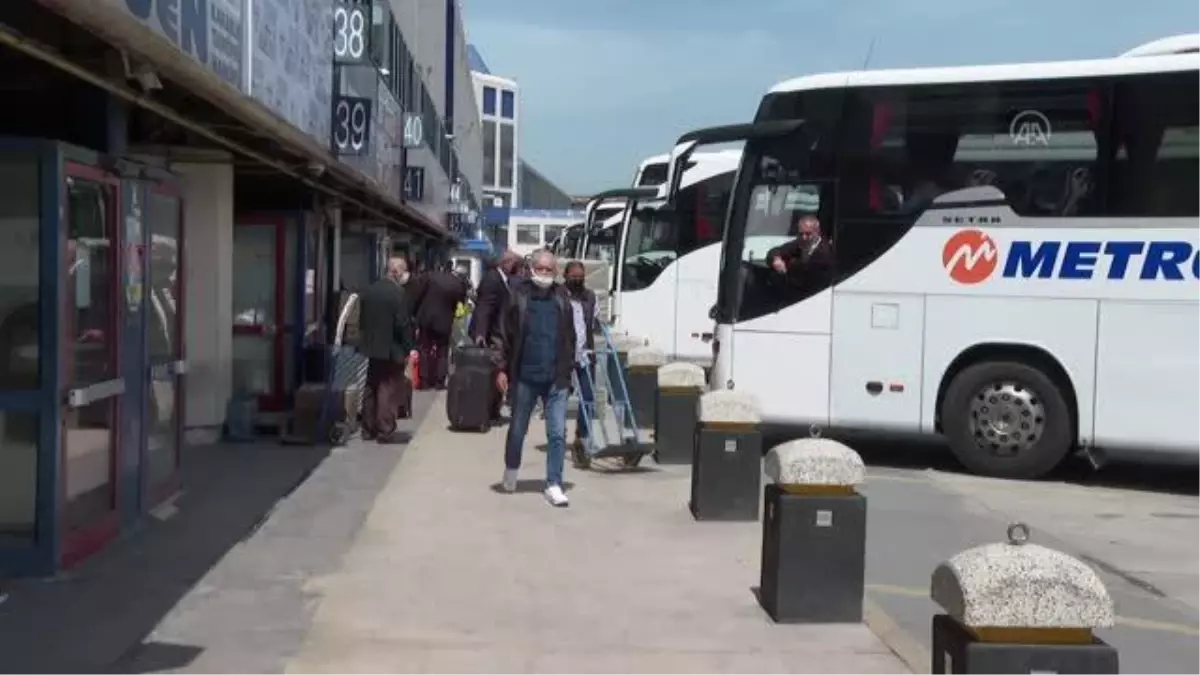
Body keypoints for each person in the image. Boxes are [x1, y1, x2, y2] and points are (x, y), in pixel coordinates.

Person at [495, 250, 577, 507]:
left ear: (555, 272)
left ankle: (554, 483)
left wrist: (569, 368)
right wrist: (501, 368)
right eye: (540, 269)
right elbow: (502, 335)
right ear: (531, 269)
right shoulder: (517, 295)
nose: (544, 274)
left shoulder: (562, 297)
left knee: (557, 434)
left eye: (549, 270)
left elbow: (570, 336)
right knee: (518, 429)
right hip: (525, 376)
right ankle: (511, 470)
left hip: (555, 377)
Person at [357, 257, 416, 443]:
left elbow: (362, 320)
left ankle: (367, 427)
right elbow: (402, 324)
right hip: (393, 349)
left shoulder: (369, 290)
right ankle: (385, 428)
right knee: (387, 389)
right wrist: (409, 348)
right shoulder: (398, 294)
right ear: (397, 272)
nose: (405, 275)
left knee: (370, 387)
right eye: (404, 271)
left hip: (372, 348)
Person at [470, 250, 522, 422]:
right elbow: (485, 307)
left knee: (498, 372)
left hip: (498, 332)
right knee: (494, 371)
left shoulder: (501, 279)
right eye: (515, 263)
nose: (516, 267)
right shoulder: (493, 279)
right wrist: (480, 334)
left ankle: (494, 409)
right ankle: (490, 410)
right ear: (506, 263)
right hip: (491, 334)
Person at [409, 261, 467, 390]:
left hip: (426, 319)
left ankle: (424, 381)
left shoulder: (430, 277)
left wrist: (414, 313)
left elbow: (418, 295)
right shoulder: (458, 284)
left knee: (424, 349)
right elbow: (461, 303)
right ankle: (439, 382)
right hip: (445, 321)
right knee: (442, 351)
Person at [562, 261, 599, 466]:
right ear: (566, 276)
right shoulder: (558, 295)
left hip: (585, 354)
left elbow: (593, 322)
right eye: (574, 276)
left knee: (588, 397)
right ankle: (558, 433)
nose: (577, 279)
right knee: (561, 396)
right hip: (565, 355)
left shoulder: (590, 297)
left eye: (580, 276)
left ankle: (582, 438)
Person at [767, 213, 833, 289]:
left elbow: (807, 279)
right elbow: (774, 251)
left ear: (817, 232)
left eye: (808, 234)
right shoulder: (798, 244)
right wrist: (776, 259)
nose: (804, 237)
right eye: (801, 234)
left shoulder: (825, 252)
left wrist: (785, 272)